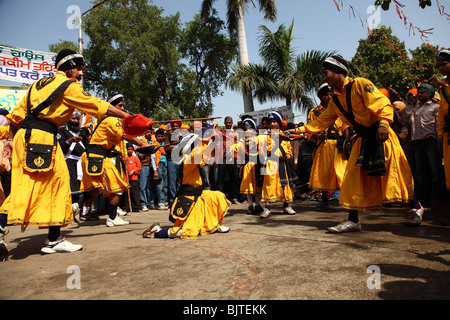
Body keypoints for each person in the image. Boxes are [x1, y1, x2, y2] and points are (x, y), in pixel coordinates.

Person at [0, 49, 133, 256]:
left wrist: (10, 140)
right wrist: (128, 117)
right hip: (41, 139)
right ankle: (41, 237)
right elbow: (97, 105)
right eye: (79, 69)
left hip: (26, 137)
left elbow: (15, 117)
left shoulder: (38, 85)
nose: (81, 74)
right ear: (71, 67)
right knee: (31, 190)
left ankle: (53, 239)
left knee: (53, 188)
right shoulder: (68, 86)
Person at [290, 55, 416, 232]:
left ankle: (416, 207)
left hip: (381, 136)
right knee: (352, 178)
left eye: (326, 73)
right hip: (363, 139)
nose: (324, 77)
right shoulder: (335, 100)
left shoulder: (360, 84)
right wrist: (299, 131)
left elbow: (383, 103)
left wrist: (384, 124)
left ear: (337, 71)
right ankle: (353, 220)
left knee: (395, 173)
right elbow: (322, 122)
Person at [142, 131, 230, 239]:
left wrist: (211, 142)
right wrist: (205, 141)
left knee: (217, 196)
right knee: (189, 230)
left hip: (198, 195)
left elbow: (205, 156)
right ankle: (156, 232)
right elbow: (198, 154)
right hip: (189, 199)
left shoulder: (190, 159)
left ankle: (214, 224)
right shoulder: (187, 160)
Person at [80, 92, 146, 227]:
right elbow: (125, 135)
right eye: (119, 106)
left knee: (93, 188)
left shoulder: (102, 119)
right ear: (111, 107)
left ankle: (78, 207)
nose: (122, 109)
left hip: (91, 156)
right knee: (117, 188)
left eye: (123, 106)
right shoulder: (112, 120)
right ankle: (112, 217)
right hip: (97, 157)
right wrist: (142, 144)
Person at [308, 84, 348, 211]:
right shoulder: (314, 112)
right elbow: (310, 130)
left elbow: (346, 127)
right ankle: (324, 202)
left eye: (331, 94)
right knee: (323, 174)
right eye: (326, 95)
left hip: (338, 146)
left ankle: (348, 201)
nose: (329, 97)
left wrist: (347, 142)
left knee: (343, 174)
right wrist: (317, 135)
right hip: (323, 146)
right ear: (320, 97)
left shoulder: (340, 110)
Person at [259, 111, 298, 218]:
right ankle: (267, 209)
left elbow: (289, 149)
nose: (272, 124)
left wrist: (288, 156)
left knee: (285, 186)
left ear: (279, 123)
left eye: (274, 122)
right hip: (271, 163)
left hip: (283, 164)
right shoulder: (266, 135)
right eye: (270, 122)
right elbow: (263, 150)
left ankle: (286, 206)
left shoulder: (285, 135)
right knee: (269, 185)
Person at [411, 83, 446, 203]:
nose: (419, 95)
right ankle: (421, 197)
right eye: (418, 93)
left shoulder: (435, 107)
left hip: (431, 141)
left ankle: (436, 196)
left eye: (422, 93)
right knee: (420, 171)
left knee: (435, 169)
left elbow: (438, 124)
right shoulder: (415, 108)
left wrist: (439, 140)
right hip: (418, 142)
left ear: (429, 94)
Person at [57, 110, 91, 223]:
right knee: (71, 188)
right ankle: (68, 214)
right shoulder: (61, 131)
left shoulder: (82, 132)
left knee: (88, 188)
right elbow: (60, 147)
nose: (75, 121)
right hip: (68, 162)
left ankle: (80, 210)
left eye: (77, 119)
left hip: (82, 162)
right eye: (73, 119)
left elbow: (87, 146)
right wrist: (70, 140)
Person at [436, 48, 450, 196]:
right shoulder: (443, 88)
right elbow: (441, 114)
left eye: (444, 64)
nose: (441, 68)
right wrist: (440, 134)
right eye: (439, 65)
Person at [138, 128, 156, 210]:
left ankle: (150, 203)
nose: (149, 134)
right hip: (143, 165)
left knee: (150, 186)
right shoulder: (141, 143)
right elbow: (140, 156)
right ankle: (143, 203)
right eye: (147, 132)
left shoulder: (152, 141)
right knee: (143, 186)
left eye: (150, 132)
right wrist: (147, 149)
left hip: (151, 166)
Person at [122, 143, 142, 213]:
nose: (129, 151)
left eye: (131, 149)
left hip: (134, 178)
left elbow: (139, 167)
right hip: (126, 178)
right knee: (126, 194)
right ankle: (126, 208)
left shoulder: (135, 158)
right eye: (128, 149)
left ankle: (137, 207)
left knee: (135, 193)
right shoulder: (124, 158)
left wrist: (134, 171)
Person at [152, 128, 168, 210]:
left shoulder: (165, 144)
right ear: (156, 136)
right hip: (158, 165)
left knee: (165, 184)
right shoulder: (155, 145)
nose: (160, 138)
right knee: (160, 184)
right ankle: (160, 202)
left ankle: (165, 201)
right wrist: (155, 170)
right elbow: (152, 157)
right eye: (159, 136)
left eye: (162, 136)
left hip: (165, 164)